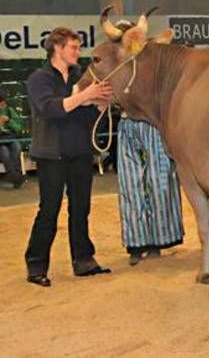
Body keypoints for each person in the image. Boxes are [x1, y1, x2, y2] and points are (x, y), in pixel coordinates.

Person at [24, 27, 114, 287]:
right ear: (57, 48)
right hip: (51, 154)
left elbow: (86, 115)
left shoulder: (79, 77)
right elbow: (50, 108)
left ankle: (84, 260)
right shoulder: (39, 79)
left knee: (81, 208)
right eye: (73, 47)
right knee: (49, 209)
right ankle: (36, 265)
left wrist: (99, 105)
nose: (78, 52)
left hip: (80, 151)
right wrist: (85, 96)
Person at [111, 19, 185, 266]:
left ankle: (158, 240)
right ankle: (136, 244)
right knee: (130, 182)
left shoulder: (152, 61)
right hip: (127, 123)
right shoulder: (116, 64)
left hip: (152, 123)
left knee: (159, 178)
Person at [0, 95, 26, 188]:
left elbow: (19, 127)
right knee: (4, 153)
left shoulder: (10, 111)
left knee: (17, 148)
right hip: (1, 141)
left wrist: (9, 121)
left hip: (11, 137)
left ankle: (14, 176)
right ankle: (17, 178)